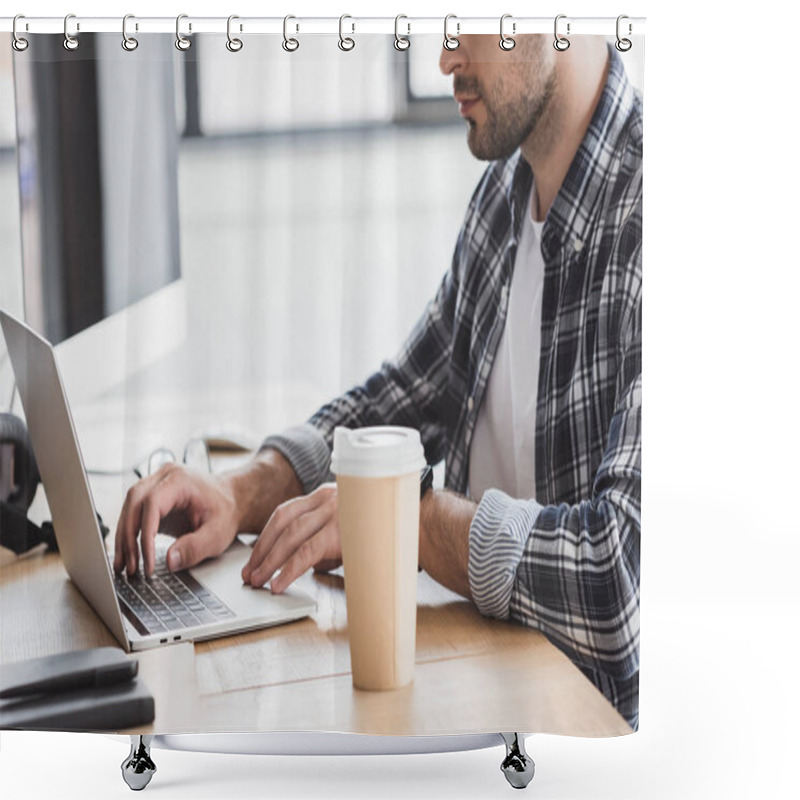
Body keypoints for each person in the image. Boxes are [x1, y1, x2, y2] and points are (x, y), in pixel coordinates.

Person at [114, 34, 642, 729]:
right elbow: (401, 395)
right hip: (487, 691)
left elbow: (621, 579)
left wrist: (403, 523)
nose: (445, 60)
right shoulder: (504, 199)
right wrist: (239, 490)